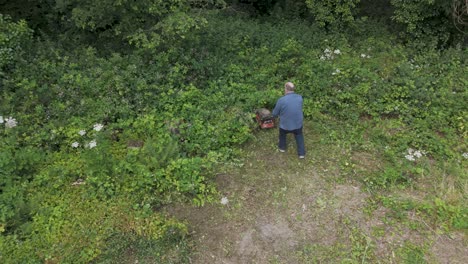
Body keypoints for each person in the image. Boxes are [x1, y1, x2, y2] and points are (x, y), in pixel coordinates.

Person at [272, 82, 305, 159]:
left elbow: (274, 114)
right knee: (299, 135)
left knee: (282, 134)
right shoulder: (300, 97)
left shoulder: (281, 100)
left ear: (286, 89)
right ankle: (301, 153)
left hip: (285, 126)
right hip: (297, 125)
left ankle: (282, 148)